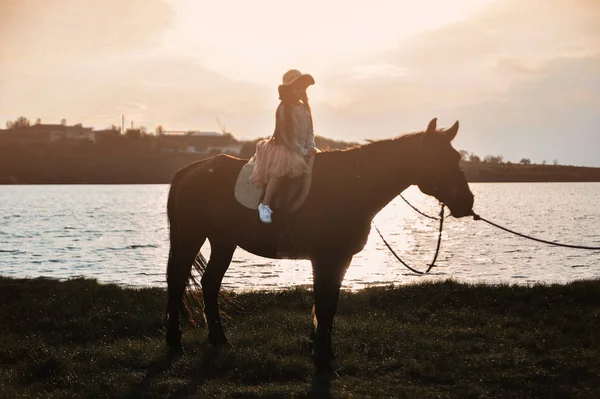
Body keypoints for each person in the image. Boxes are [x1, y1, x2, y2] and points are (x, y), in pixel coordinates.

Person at [249, 69, 317, 223]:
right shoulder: (283, 109)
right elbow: (287, 136)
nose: (301, 91)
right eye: (297, 88)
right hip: (285, 147)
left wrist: (310, 146)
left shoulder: (305, 108)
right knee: (280, 170)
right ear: (289, 90)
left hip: (303, 147)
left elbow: (310, 131)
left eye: (303, 88)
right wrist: (302, 150)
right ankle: (265, 203)